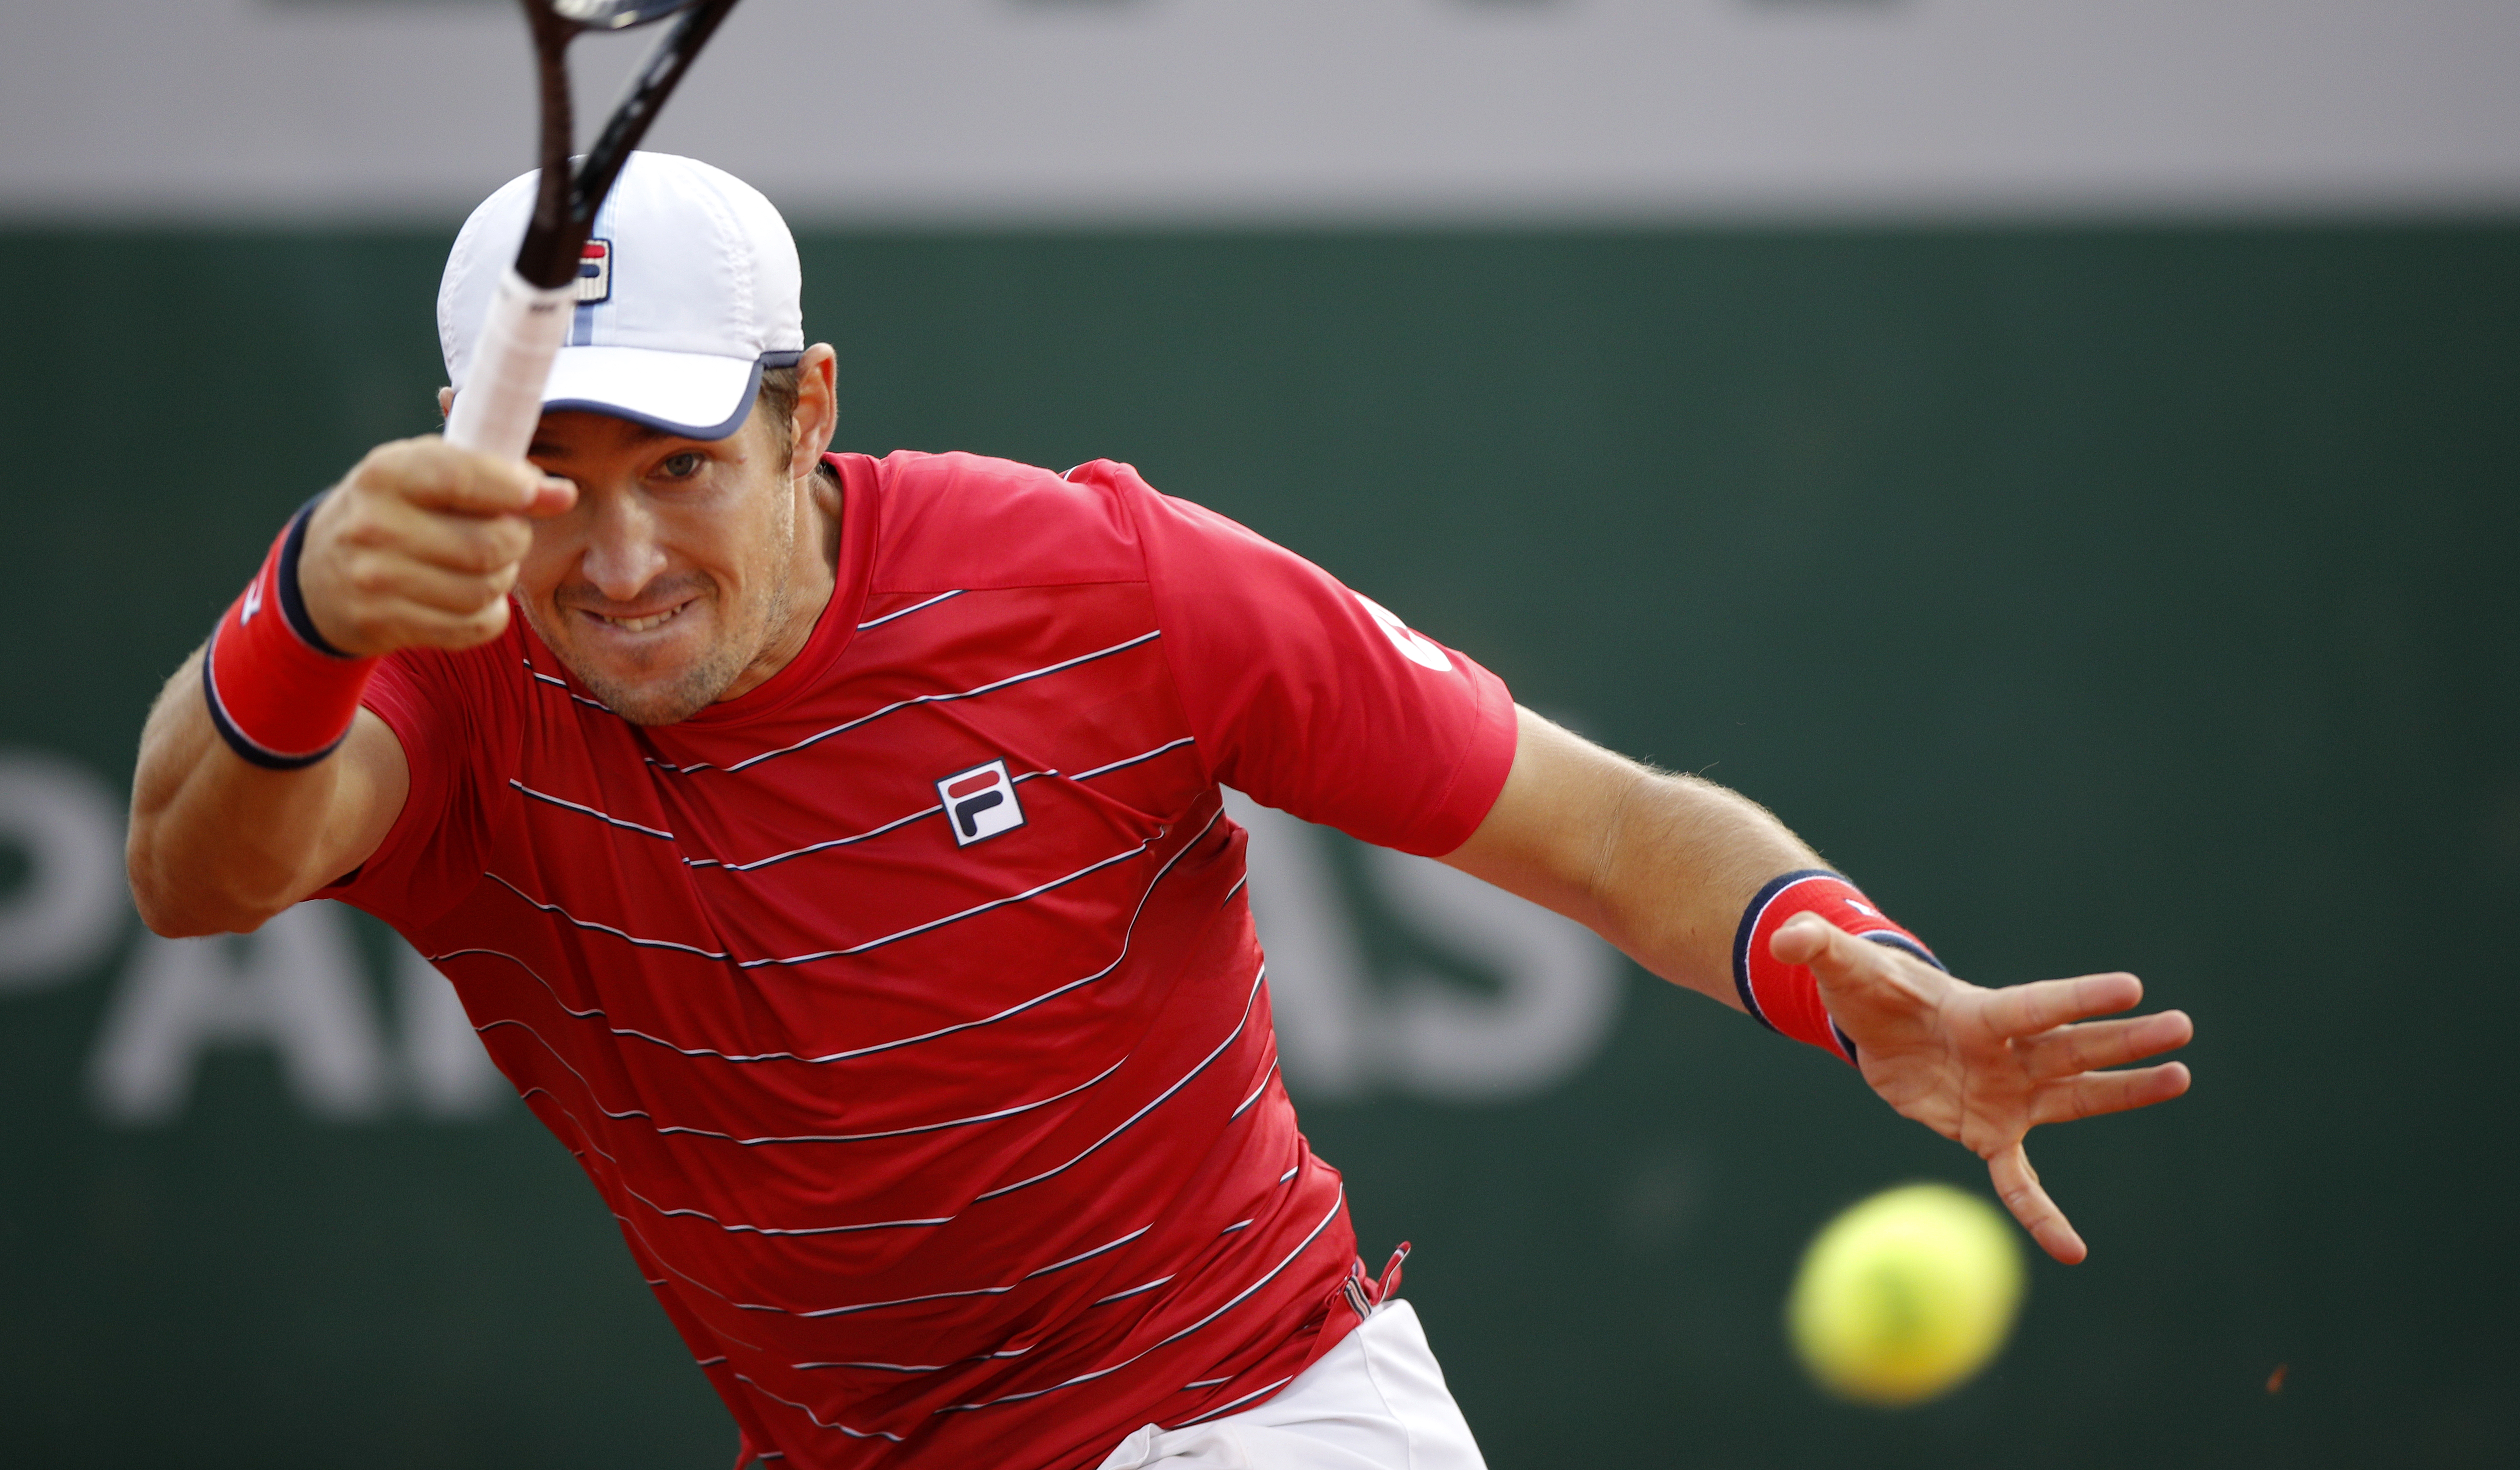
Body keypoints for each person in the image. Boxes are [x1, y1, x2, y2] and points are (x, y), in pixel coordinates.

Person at [126, 154, 2193, 1470]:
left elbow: (1600, 827)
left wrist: (1857, 976)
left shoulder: (1103, 587)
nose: (618, 550)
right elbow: (197, 872)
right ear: (461, 453)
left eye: (679, 466)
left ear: (808, 409)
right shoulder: (424, 656)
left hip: (1256, 1414)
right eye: (556, 476)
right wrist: (305, 609)